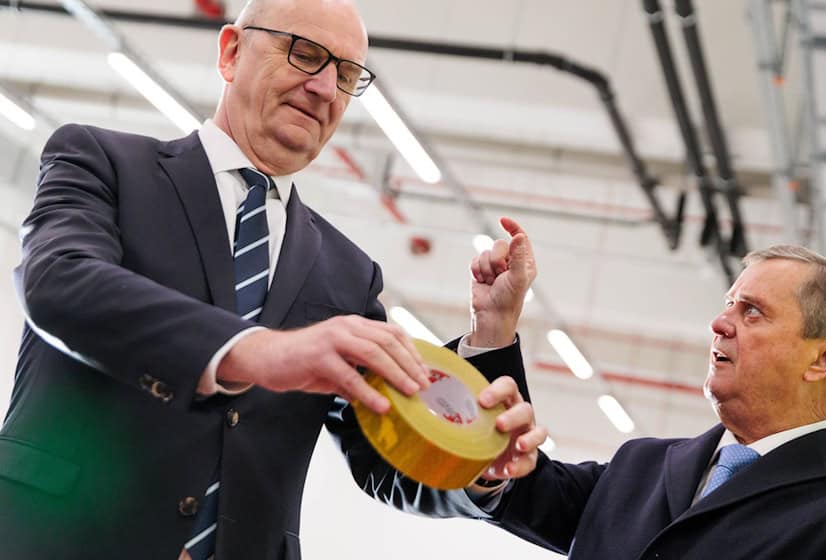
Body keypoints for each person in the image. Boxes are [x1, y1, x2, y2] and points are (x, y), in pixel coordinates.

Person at [0, 0, 542, 558]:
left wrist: (476, 458)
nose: (326, 88)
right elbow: (59, 282)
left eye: (347, 74)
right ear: (231, 52)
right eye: (306, 55)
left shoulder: (349, 276)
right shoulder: (103, 163)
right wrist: (256, 352)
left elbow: (384, 455)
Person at [468, 237, 826, 559]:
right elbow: (513, 482)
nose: (719, 322)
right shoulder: (639, 466)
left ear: (821, 360)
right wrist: (493, 330)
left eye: (752, 312)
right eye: (729, 303)